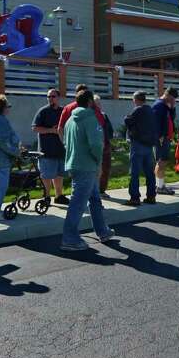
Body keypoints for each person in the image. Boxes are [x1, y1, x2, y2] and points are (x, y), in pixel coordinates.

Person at [60, 90, 116, 251]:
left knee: (94, 199)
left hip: (75, 164)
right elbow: (97, 145)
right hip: (87, 166)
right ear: (90, 101)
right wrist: (98, 163)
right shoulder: (90, 118)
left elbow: (66, 141)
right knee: (78, 203)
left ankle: (102, 231)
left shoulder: (71, 119)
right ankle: (69, 238)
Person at [58, 83, 112, 199]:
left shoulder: (69, 112)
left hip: (74, 158)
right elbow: (97, 140)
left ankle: (96, 208)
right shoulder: (92, 113)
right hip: (89, 161)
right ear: (89, 100)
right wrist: (98, 159)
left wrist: (67, 146)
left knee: (91, 197)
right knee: (78, 200)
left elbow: (61, 130)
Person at [30, 88, 69, 205]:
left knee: (59, 174)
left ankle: (59, 195)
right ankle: (46, 196)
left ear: (58, 98)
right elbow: (34, 128)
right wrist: (51, 130)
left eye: (53, 96)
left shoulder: (64, 111)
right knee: (46, 175)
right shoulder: (43, 111)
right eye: (49, 97)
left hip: (61, 149)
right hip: (46, 150)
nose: (51, 99)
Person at [123, 90, 158, 206]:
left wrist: (127, 118)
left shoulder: (138, 110)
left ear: (136, 99)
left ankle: (134, 197)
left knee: (135, 172)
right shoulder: (150, 110)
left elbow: (128, 121)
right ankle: (151, 196)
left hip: (138, 144)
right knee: (149, 172)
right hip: (148, 145)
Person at [151, 87, 179, 194]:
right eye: (172, 98)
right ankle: (159, 186)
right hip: (161, 138)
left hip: (166, 137)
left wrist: (172, 107)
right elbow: (155, 123)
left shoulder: (166, 106)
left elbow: (171, 118)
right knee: (161, 161)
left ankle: (160, 185)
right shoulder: (158, 106)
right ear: (167, 95)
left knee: (163, 161)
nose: (173, 101)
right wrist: (160, 136)